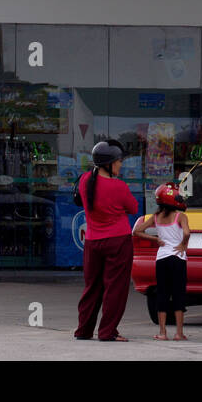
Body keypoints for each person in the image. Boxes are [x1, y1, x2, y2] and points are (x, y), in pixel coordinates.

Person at [74, 139, 138, 341]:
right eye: (119, 161)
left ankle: (83, 330)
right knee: (115, 288)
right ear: (109, 164)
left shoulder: (84, 180)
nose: (121, 165)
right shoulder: (119, 187)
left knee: (92, 287)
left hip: (93, 242)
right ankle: (107, 331)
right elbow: (134, 208)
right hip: (118, 241)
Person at [133, 182, 190, 341]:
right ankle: (179, 333)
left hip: (162, 259)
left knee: (162, 295)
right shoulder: (180, 216)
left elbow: (136, 231)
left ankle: (163, 332)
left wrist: (155, 238)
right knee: (178, 295)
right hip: (178, 259)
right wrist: (183, 245)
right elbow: (186, 232)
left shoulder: (156, 217)